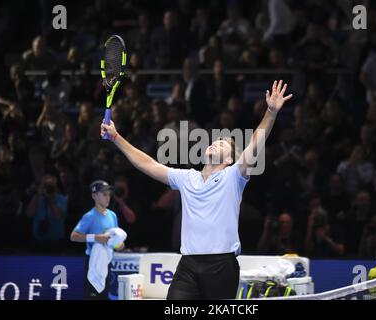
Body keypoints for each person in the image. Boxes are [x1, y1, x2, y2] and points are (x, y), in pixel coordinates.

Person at [101, 80, 293, 299]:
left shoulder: (234, 176)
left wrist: (270, 112)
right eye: (214, 141)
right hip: (188, 265)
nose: (214, 143)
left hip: (222, 264)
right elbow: (148, 164)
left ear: (230, 159)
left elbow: (256, 143)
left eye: (222, 144)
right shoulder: (187, 178)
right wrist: (116, 137)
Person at [70, 180, 125, 300]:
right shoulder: (89, 216)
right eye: (104, 194)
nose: (108, 197)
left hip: (107, 261)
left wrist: (119, 244)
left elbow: (113, 239)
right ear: (94, 196)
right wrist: (96, 237)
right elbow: (74, 236)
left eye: (109, 194)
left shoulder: (112, 215)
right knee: (92, 296)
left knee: (103, 296)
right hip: (92, 262)